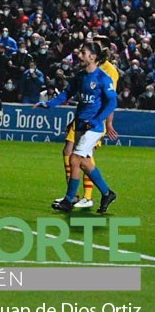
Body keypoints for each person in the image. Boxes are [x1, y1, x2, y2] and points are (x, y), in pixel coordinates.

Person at [36, 41, 117, 213]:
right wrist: (49, 105)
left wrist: (98, 120)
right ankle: (107, 193)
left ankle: (69, 200)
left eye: (83, 53)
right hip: (80, 124)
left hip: (93, 127)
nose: (79, 55)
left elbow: (112, 102)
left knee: (74, 159)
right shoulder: (80, 76)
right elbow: (66, 94)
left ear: (93, 57)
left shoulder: (103, 78)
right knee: (85, 163)